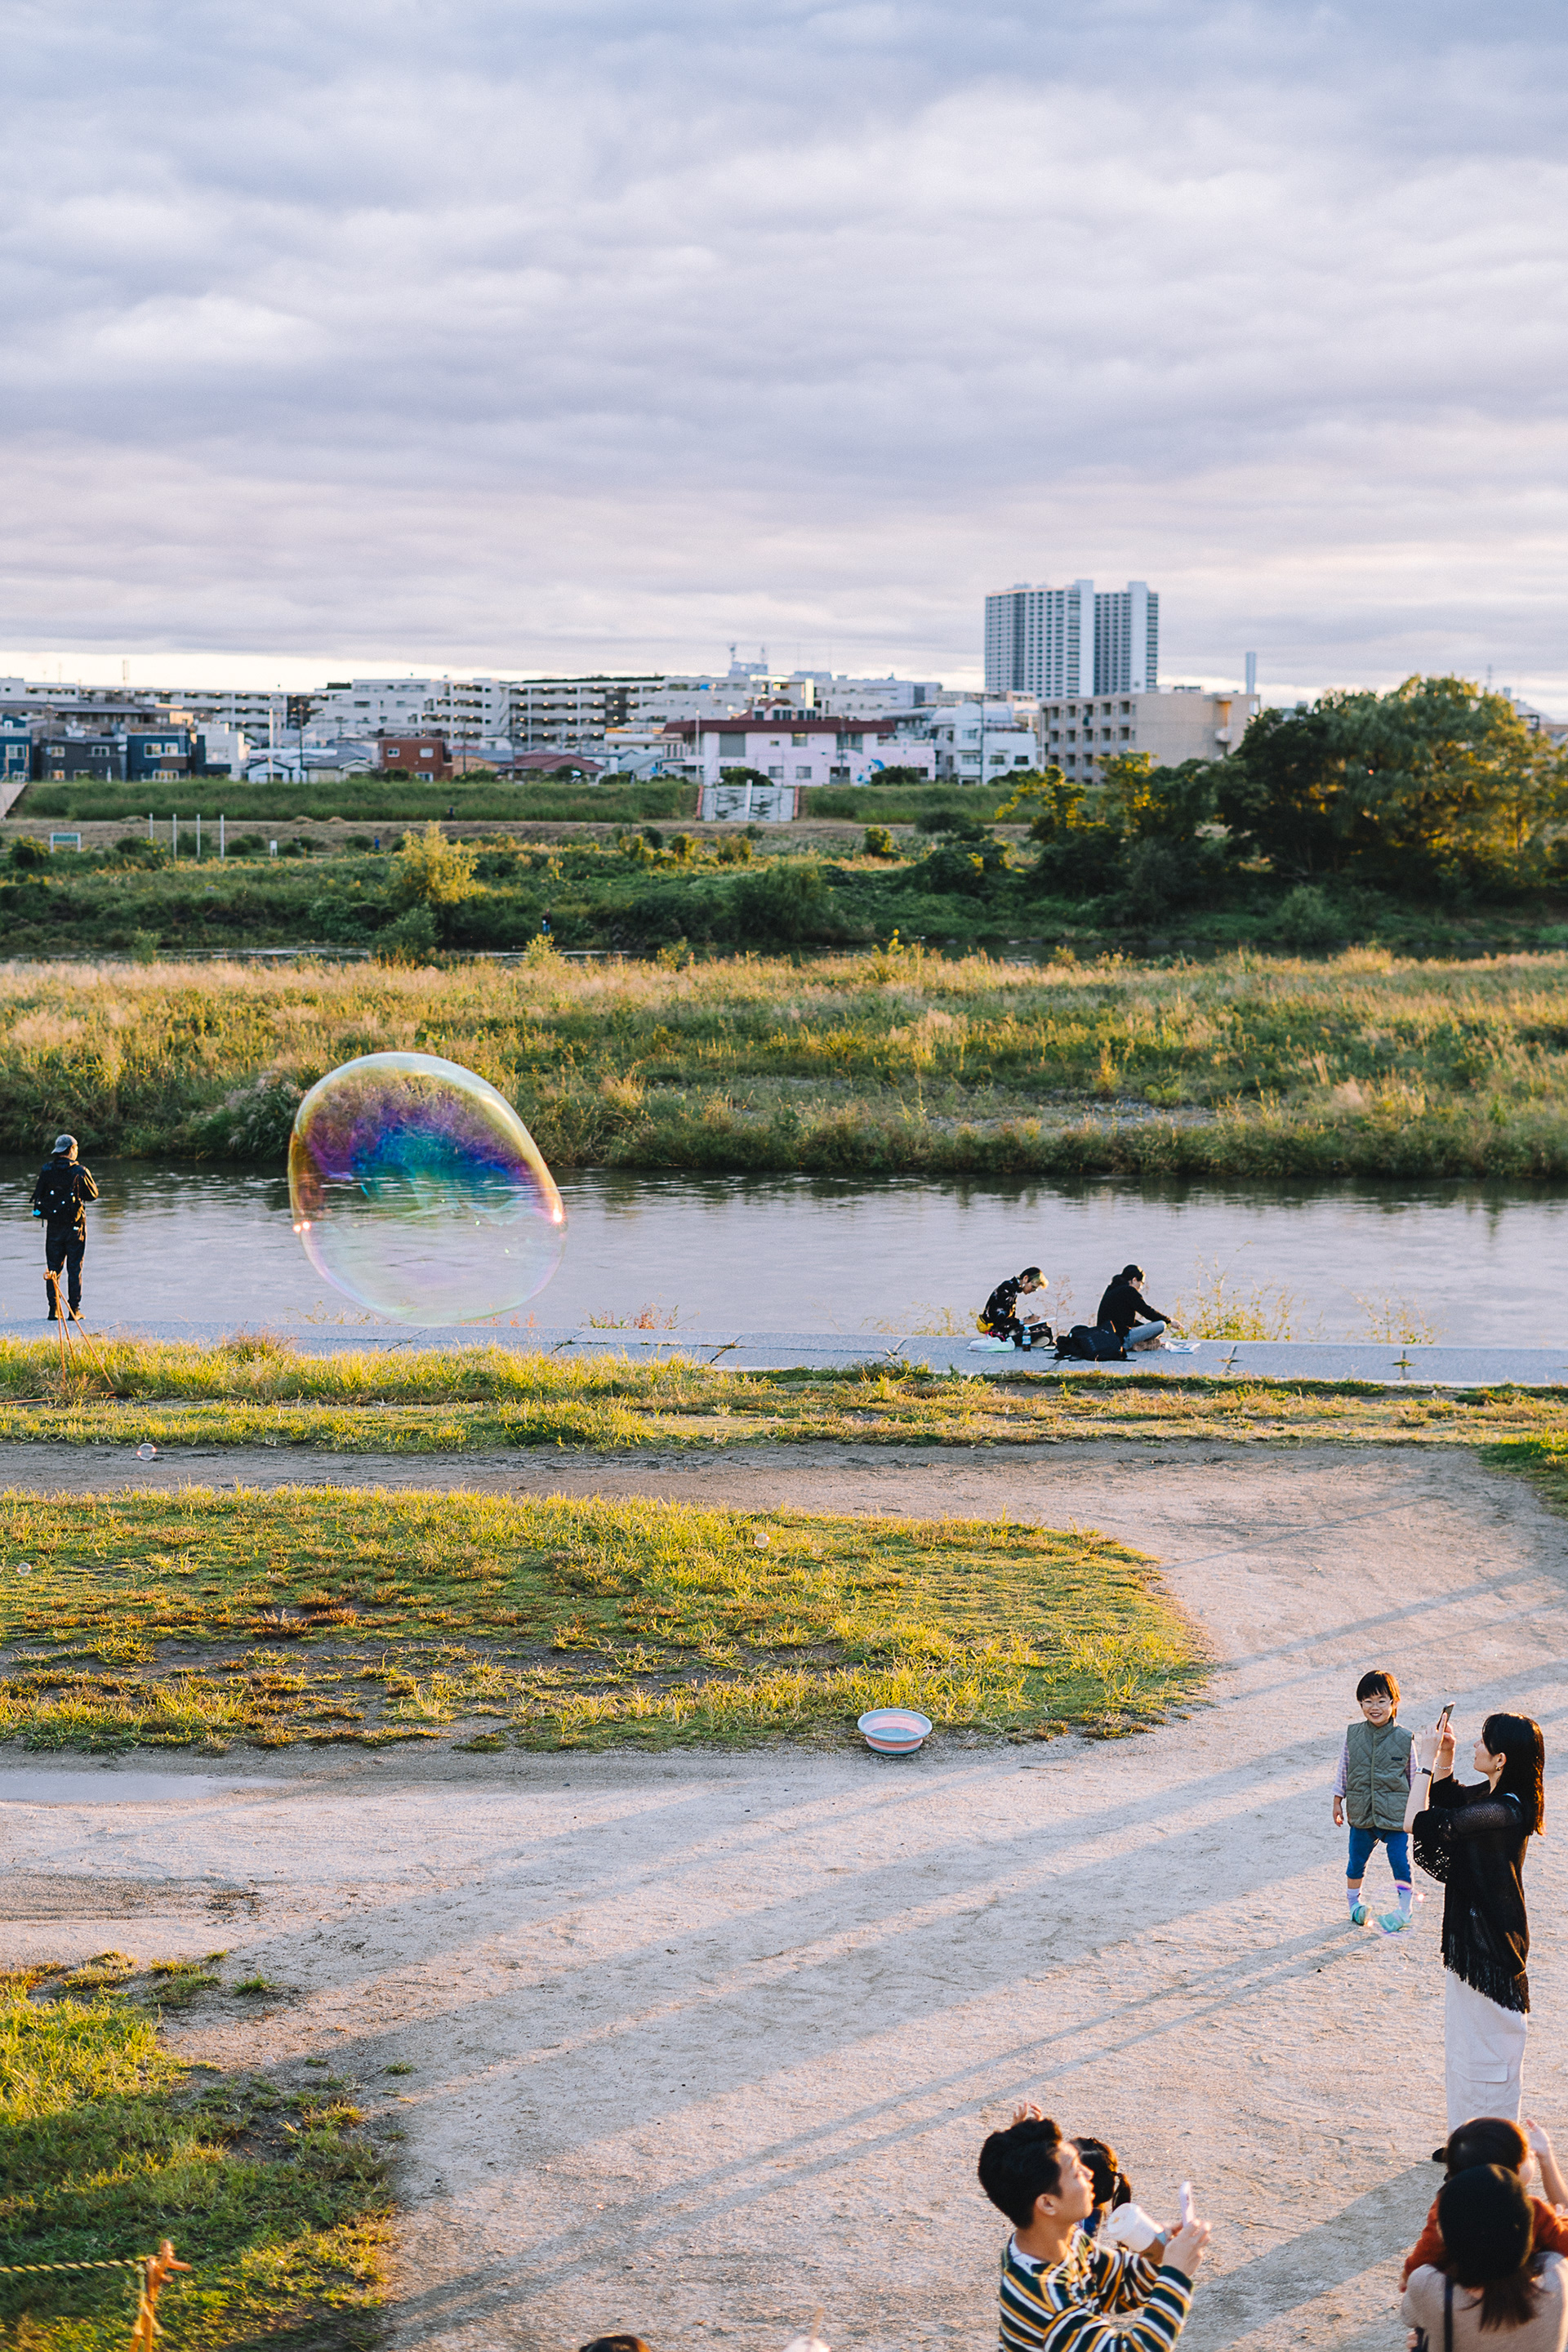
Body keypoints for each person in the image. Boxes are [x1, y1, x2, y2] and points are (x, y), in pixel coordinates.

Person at [1406, 1708, 1546, 2129]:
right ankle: (1466, 2138)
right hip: (1473, 1938)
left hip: (1491, 1947)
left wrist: (1425, 1762)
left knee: (1490, 2056)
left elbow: (1417, 1822)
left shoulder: (1503, 1811)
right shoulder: (1496, 1797)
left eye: (1483, 1741)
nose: (1475, 1745)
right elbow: (1452, 1799)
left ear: (1500, 1759)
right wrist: (1446, 1758)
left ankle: (1495, 2148)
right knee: (1465, 2048)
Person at [978, 2104, 1210, 2350]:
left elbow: (1119, 2286)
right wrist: (1174, 2276)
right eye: (1076, 2171)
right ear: (1047, 2204)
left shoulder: (1066, 2239)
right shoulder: (1041, 2296)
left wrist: (1159, 2251)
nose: (1089, 2174)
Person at [1402, 2165, 1568, 2350]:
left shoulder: (1427, 2285)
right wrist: (1558, 2222)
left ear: (1444, 2235)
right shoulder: (1558, 2274)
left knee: (1418, 2339)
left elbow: (1410, 2317)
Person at [1403, 2118, 1568, 2287]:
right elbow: (1564, 2244)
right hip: (1515, 2293)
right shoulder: (1534, 2209)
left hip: (1463, 2289)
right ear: (1509, 2171)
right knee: (1554, 2260)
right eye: (1527, 2155)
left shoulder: (1445, 2205)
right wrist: (1561, 2219)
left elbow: (1427, 2251)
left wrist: (1408, 2276)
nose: (1533, 2152)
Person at [1332, 1668, 1417, 1931]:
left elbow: (1415, 1777)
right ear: (1360, 1703)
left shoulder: (1405, 1738)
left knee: (1399, 1859)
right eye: (1368, 1701)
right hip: (1362, 1811)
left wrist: (1419, 1813)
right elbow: (1344, 1769)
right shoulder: (1353, 1735)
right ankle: (1354, 1905)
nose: (1374, 1707)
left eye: (1381, 1701)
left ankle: (1405, 1909)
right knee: (1356, 1861)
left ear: (1394, 1702)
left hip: (1396, 1815)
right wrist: (1337, 1800)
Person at [29, 1133, 98, 1321]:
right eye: (76, 1149)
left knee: (53, 1269)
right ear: (71, 1150)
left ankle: (54, 1310)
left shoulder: (47, 1170)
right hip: (76, 1228)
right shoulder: (80, 1171)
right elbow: (93, 1195)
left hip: (54, 1227)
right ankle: (74, 1310)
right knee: (74, 1269)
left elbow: (39, 1194)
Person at [1096, 1267, 1173, 1352]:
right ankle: (1137, 1345)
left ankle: (1141, 1344)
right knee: (1161, 1325)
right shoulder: (1129, 1290)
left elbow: (1124, 1319)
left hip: (1106, 1338)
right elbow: (1147, 1312)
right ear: (1134, 1280)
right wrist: (1169, 1321)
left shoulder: (1112, 1289)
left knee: (1147, 1328)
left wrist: (1145, 1330)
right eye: (1141, 1283)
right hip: (1121, 1340)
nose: (1141, 1287)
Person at [980, 1267, 1053, 1351]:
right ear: (1025, 1279)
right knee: (1044, 1330)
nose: (1033, 1290)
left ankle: (1031, 1341)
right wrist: (1024, 1321)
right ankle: (1028, 1342)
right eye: (1033, 1287)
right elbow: (1001, 1321)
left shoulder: (1011, 1288)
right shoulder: (1007, 1290)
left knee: (1045, 1327)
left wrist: (1027, 1320)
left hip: (1004, 1329)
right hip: (999, 1333)